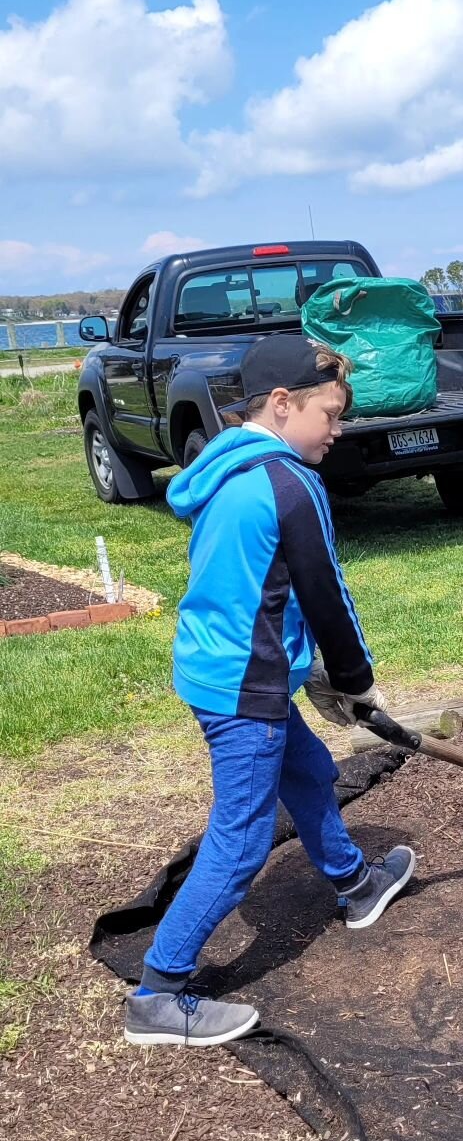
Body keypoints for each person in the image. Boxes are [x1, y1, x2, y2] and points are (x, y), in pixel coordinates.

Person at [125, 334, 413, 1048]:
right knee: (242, 839)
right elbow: (323, 593)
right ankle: (158, 991)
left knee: (311, 769)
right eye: (331, 413)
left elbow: (257, 585)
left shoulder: (224, 466)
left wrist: (303, 670)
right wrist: (352, 679)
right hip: (244, 684)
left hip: (219, 663)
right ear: (282, 404)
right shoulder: (288, 482)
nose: (338, 430)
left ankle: (355, 884)